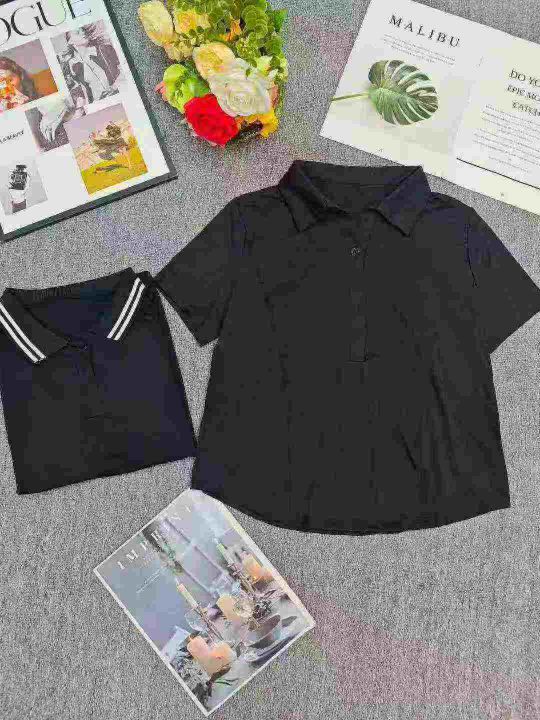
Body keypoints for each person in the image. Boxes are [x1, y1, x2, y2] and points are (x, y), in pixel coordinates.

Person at [60, 24, 121, 106]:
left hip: (117, 97)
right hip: (97, 103)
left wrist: (114, 87)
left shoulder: (105, 49)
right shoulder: (73, 65)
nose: (83, 33)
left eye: (82, 30)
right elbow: (83, 89)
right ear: (70, 41)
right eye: (77, 32)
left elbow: (124, 70)